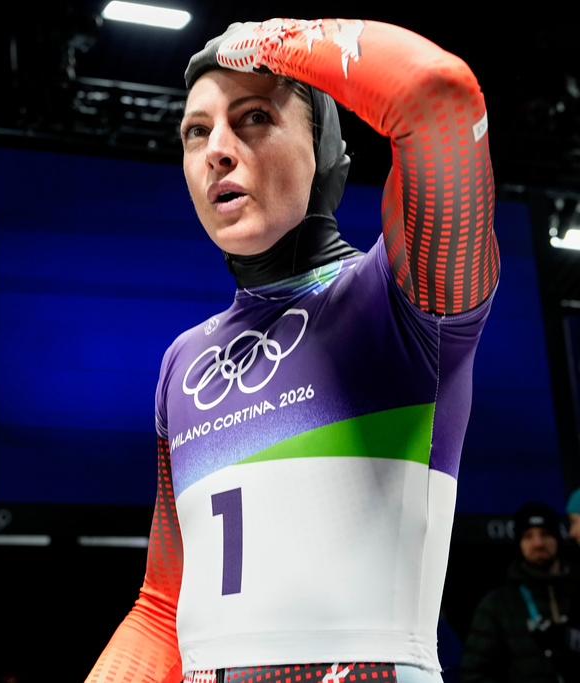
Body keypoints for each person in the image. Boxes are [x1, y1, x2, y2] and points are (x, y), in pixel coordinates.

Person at [86, 17, 498, 683]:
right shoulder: (183, 362)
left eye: (252, 117)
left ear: (328, 151)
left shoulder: (400, 299)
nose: (217, 148)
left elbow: (438, 95)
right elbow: (162, 606)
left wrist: (271, 40)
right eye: (196, 131)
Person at [460, 502, 580, 682]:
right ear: (519, 543)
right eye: (528, 536)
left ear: (558, 537)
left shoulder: (577, 590)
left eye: (545, 534)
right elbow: (474, 673)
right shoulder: (497, 604)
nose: (538, 543)